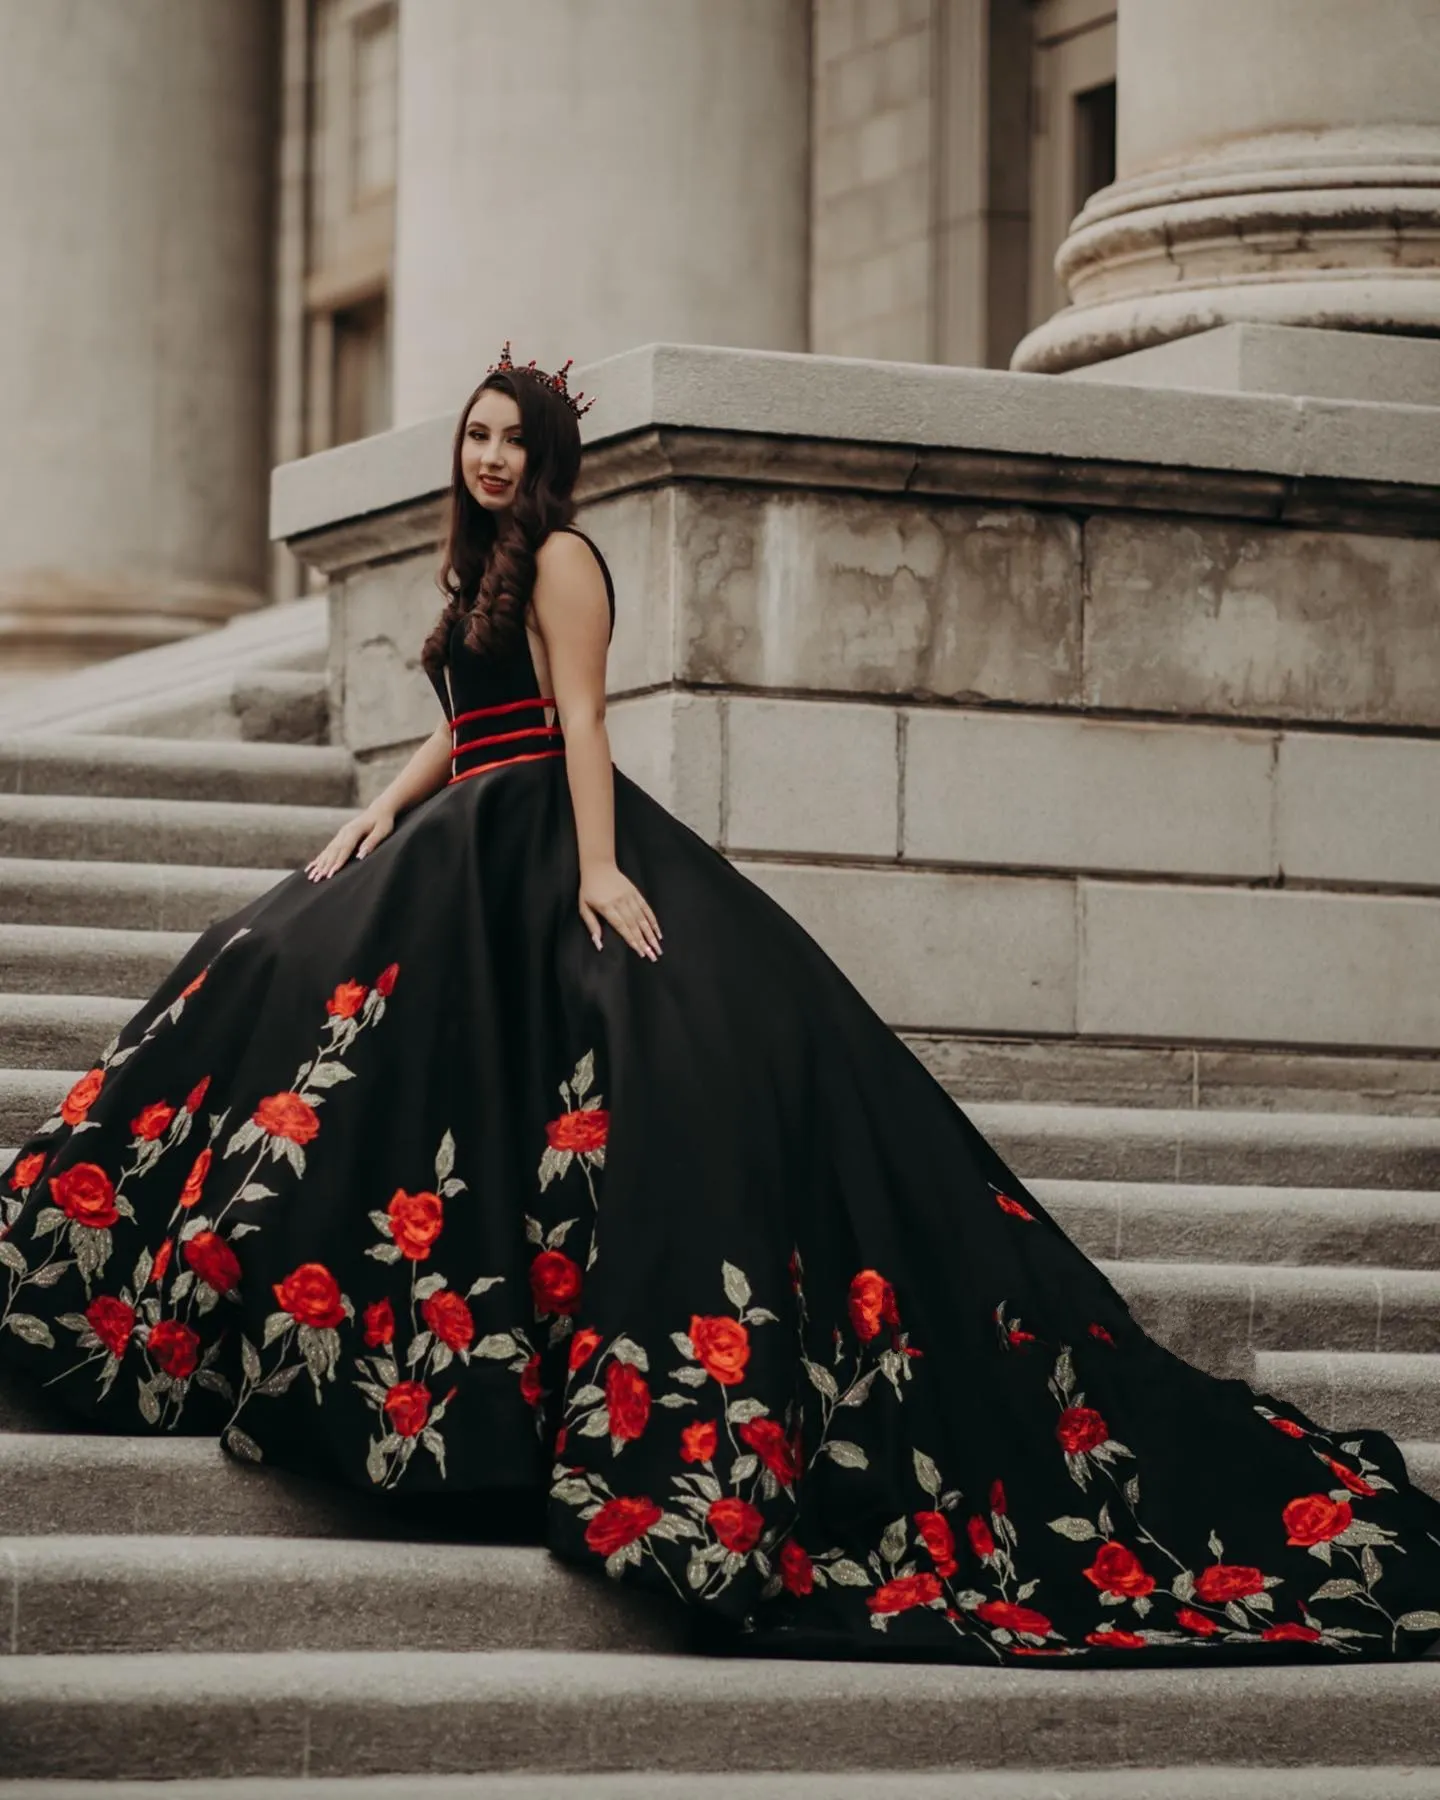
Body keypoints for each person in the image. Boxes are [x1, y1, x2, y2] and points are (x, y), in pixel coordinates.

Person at [3, 346, 1439, 1668]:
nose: (491, 456)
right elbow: (471, 715)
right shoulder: (486, 560)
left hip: (542, 843)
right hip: (461, 839)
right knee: (266, 962)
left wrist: (603, 874)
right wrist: (373, 816)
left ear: (549, 455)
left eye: (514, 439)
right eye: (477, 436)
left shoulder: (564, 555)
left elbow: (577, 722)